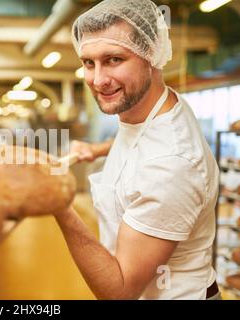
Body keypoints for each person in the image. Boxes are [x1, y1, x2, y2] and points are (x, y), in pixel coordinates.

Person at [57, 0, 220, 299]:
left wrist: (58, 205)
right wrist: (99, 149)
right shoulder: (157, 108)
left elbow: (119, 291)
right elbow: (139, 142)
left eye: (114, 59)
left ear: (152, 56)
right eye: (88, 63)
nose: (98, 80)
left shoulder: (170, 165)